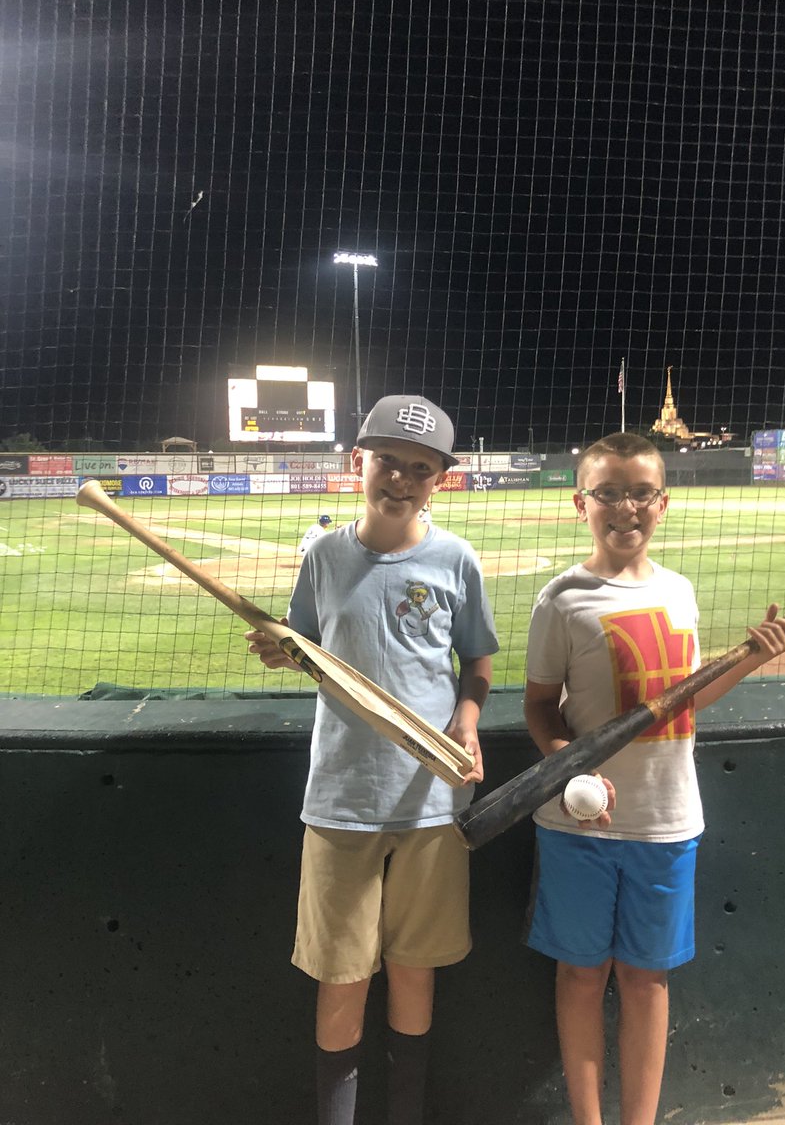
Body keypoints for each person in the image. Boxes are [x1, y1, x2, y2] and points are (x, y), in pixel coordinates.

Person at [523, 432, 785, 1125]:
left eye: (640, 492)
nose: (625, 507)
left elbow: (685, 699)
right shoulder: (562, 599)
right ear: (581, 503)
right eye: (608, 493)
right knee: (581, 979)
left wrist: (750, 660)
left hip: (667, 819)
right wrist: (563, 764)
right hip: (580, 825)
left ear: (663, 503)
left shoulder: (681, 592)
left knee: (646, 981)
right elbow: (538, 704)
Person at [245, 394, 499, 1125]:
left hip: (430, 799)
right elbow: (309, 652)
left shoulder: (455, 558)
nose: (401, 479)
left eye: (420, 468)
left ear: (440, 481)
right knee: (342, 977)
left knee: (414, 973)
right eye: (388, 461)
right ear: (357, 463)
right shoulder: (324, 556)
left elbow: (477, 658)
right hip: (341, 799)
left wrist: (469, 721)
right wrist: (280, 651)